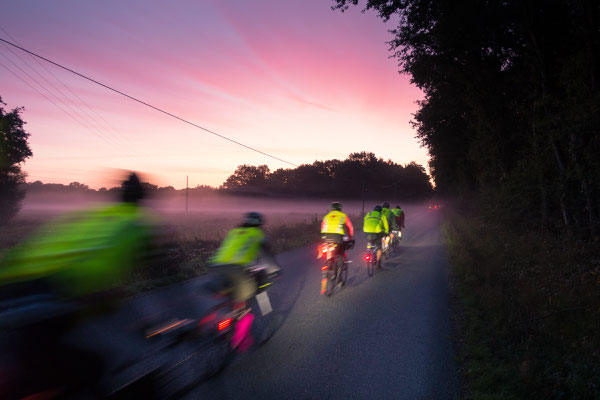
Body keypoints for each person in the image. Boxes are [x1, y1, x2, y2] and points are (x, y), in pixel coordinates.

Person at [0, 172, 157, 398]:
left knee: (27, 368)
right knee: (88, 369)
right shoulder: (136, 227)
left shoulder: (90, 214)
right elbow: (101, 289)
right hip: (47, 298)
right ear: (142, 199)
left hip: (11, 287)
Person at [209, 212, 280, 307]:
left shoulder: (234, 232)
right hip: (237, 267)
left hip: (216, 265)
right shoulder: (258, 233)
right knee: (252, 289)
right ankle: (260, 310)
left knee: (231, 289)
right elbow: (267, 256)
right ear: (260, 223)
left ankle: (230, 308)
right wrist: (275, 270)